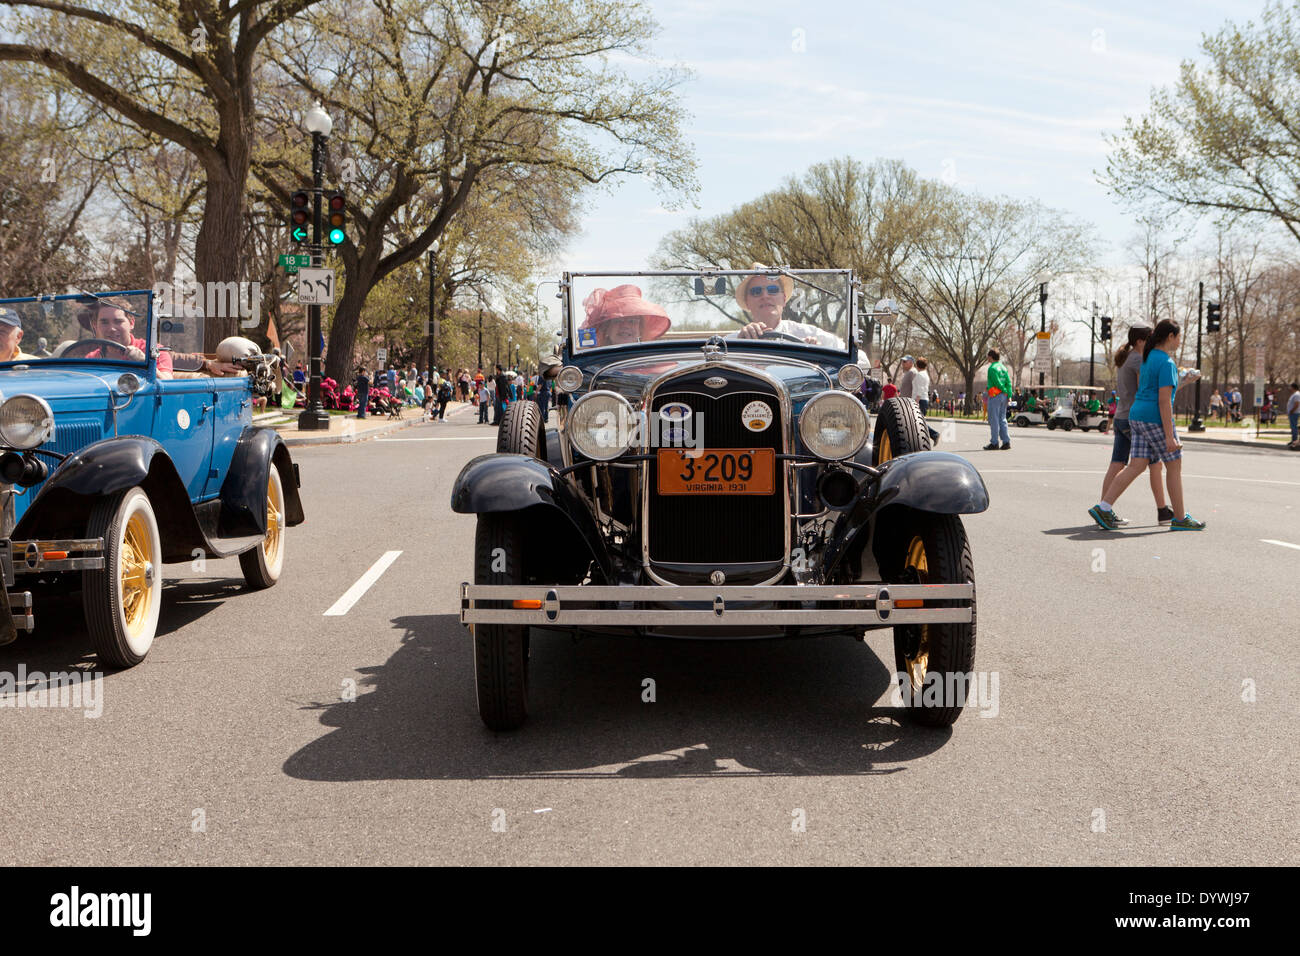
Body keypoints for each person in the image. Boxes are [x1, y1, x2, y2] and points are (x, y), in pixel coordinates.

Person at [1090, 320, 1205, 531]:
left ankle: (1103, 507)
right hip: (1154, 418)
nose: (1180, 341)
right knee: (1174, 464)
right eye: (1178, 337)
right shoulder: (1167, 363)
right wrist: (1169, 436)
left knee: (1137, 465)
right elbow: (1163, 401)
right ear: (1170, 337)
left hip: (1136, 415)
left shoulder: (1148, 357)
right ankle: (1179, 518)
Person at [1096, 326, 1170, 527]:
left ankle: (1104, 508)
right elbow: (1143, 389)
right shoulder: (1137, 360)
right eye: (1150, 339)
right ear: (1140, 341)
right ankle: (1162, 510)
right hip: (1133, 417)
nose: (1153, 343)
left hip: (1121, 416)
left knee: (1118, 463)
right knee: (1154, 464)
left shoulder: (1127, 357)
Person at [731, 264, 843, 348]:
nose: (765, 295)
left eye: (773, 290)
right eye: (756, 291)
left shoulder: (811, 334)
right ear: (747, 302)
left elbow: (856, 359)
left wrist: (818, 354)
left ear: (784, 299)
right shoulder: (732, 342)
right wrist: (740, 345)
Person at [579, 284, 671, 347]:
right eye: (618, 320)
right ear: (607, 328)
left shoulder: (649, 359)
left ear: (640, 329)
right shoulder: (594, 362)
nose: (626, 326)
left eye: (632, 321)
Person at [983, 349, 1012, 450]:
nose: (987, 358)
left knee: (993, 419)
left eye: (988, 356)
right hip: (1004, 396)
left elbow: (997, 382)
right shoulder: (1003, 368)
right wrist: (1008, 394)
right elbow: (1008, 382)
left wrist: (1003, 390)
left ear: (991, 357)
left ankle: (994, 442)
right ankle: (1006, 442)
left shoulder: (992, 368)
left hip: (995, 395)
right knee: (1002, 418)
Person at [1286, 382, 1300, 448]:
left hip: (1294, 413)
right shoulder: (1294, 394)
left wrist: (1292, 411)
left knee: (1294, 427)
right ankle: (1293, 440)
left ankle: (1294, 440)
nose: (1289, 388)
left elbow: (1297, 404)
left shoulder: (1297, 394)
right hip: (1292, 413)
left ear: (1293, 387)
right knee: (1292, 427)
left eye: (1290, 387)